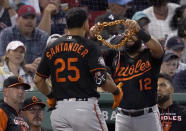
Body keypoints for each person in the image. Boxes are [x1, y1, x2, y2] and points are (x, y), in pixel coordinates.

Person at [34, 7, 123, 131]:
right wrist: (116, 92)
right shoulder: (90, 46)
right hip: (84, 109)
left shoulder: (52, 46)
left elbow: (38, 80)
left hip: (59, 112)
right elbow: (102, 81)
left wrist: (50, 96)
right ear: (85, 24)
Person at [91, 16, 164, 130]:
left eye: (133, 34)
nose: (129, 36)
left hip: (147, 115)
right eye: (127, 34)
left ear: (140, 38)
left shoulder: (148, 55)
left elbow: (159, 50)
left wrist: (139, 31)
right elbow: (93, 54)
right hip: (122, 115)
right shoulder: (115, 56)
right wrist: (93, 37)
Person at [0, 5, 48, 73]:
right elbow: (1, 59)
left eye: (32, 18)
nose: (29, 21)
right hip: (11, 77)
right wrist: (23, 67)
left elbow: (49, 62)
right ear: (17, 19)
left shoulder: (43, 36)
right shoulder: (7, 34)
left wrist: (42, 63)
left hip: (35, 78)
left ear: (36, 20)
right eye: (25, 17)